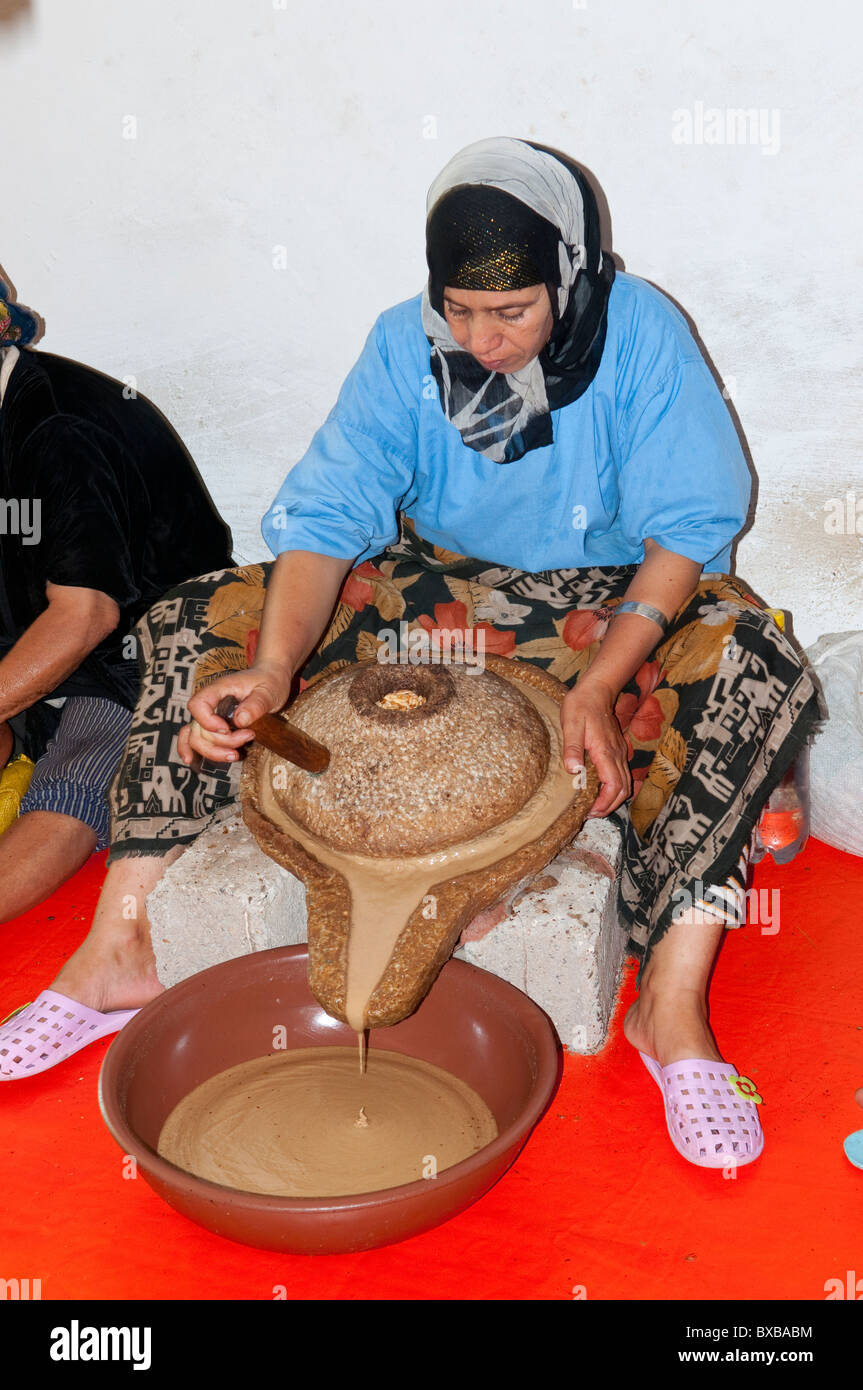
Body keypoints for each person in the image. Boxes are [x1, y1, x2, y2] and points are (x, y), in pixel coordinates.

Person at [0, 140, 825, 1173]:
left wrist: (606, 683)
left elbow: (688, 529)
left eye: (512, 312)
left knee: (751, 661)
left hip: (612, 599)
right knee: (198, 614)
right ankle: (119, 937)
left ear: (567, 278)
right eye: (460, 312)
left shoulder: (641, 335)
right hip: (438, 593)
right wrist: (270, 668)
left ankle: (669, 1000)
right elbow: (328, 516)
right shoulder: (402, 346)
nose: (480, 340)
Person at [0, 278, 233, 922]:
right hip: (45, 650)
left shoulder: (59, 429)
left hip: (144, 652)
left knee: (77, 778)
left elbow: (88, 615)